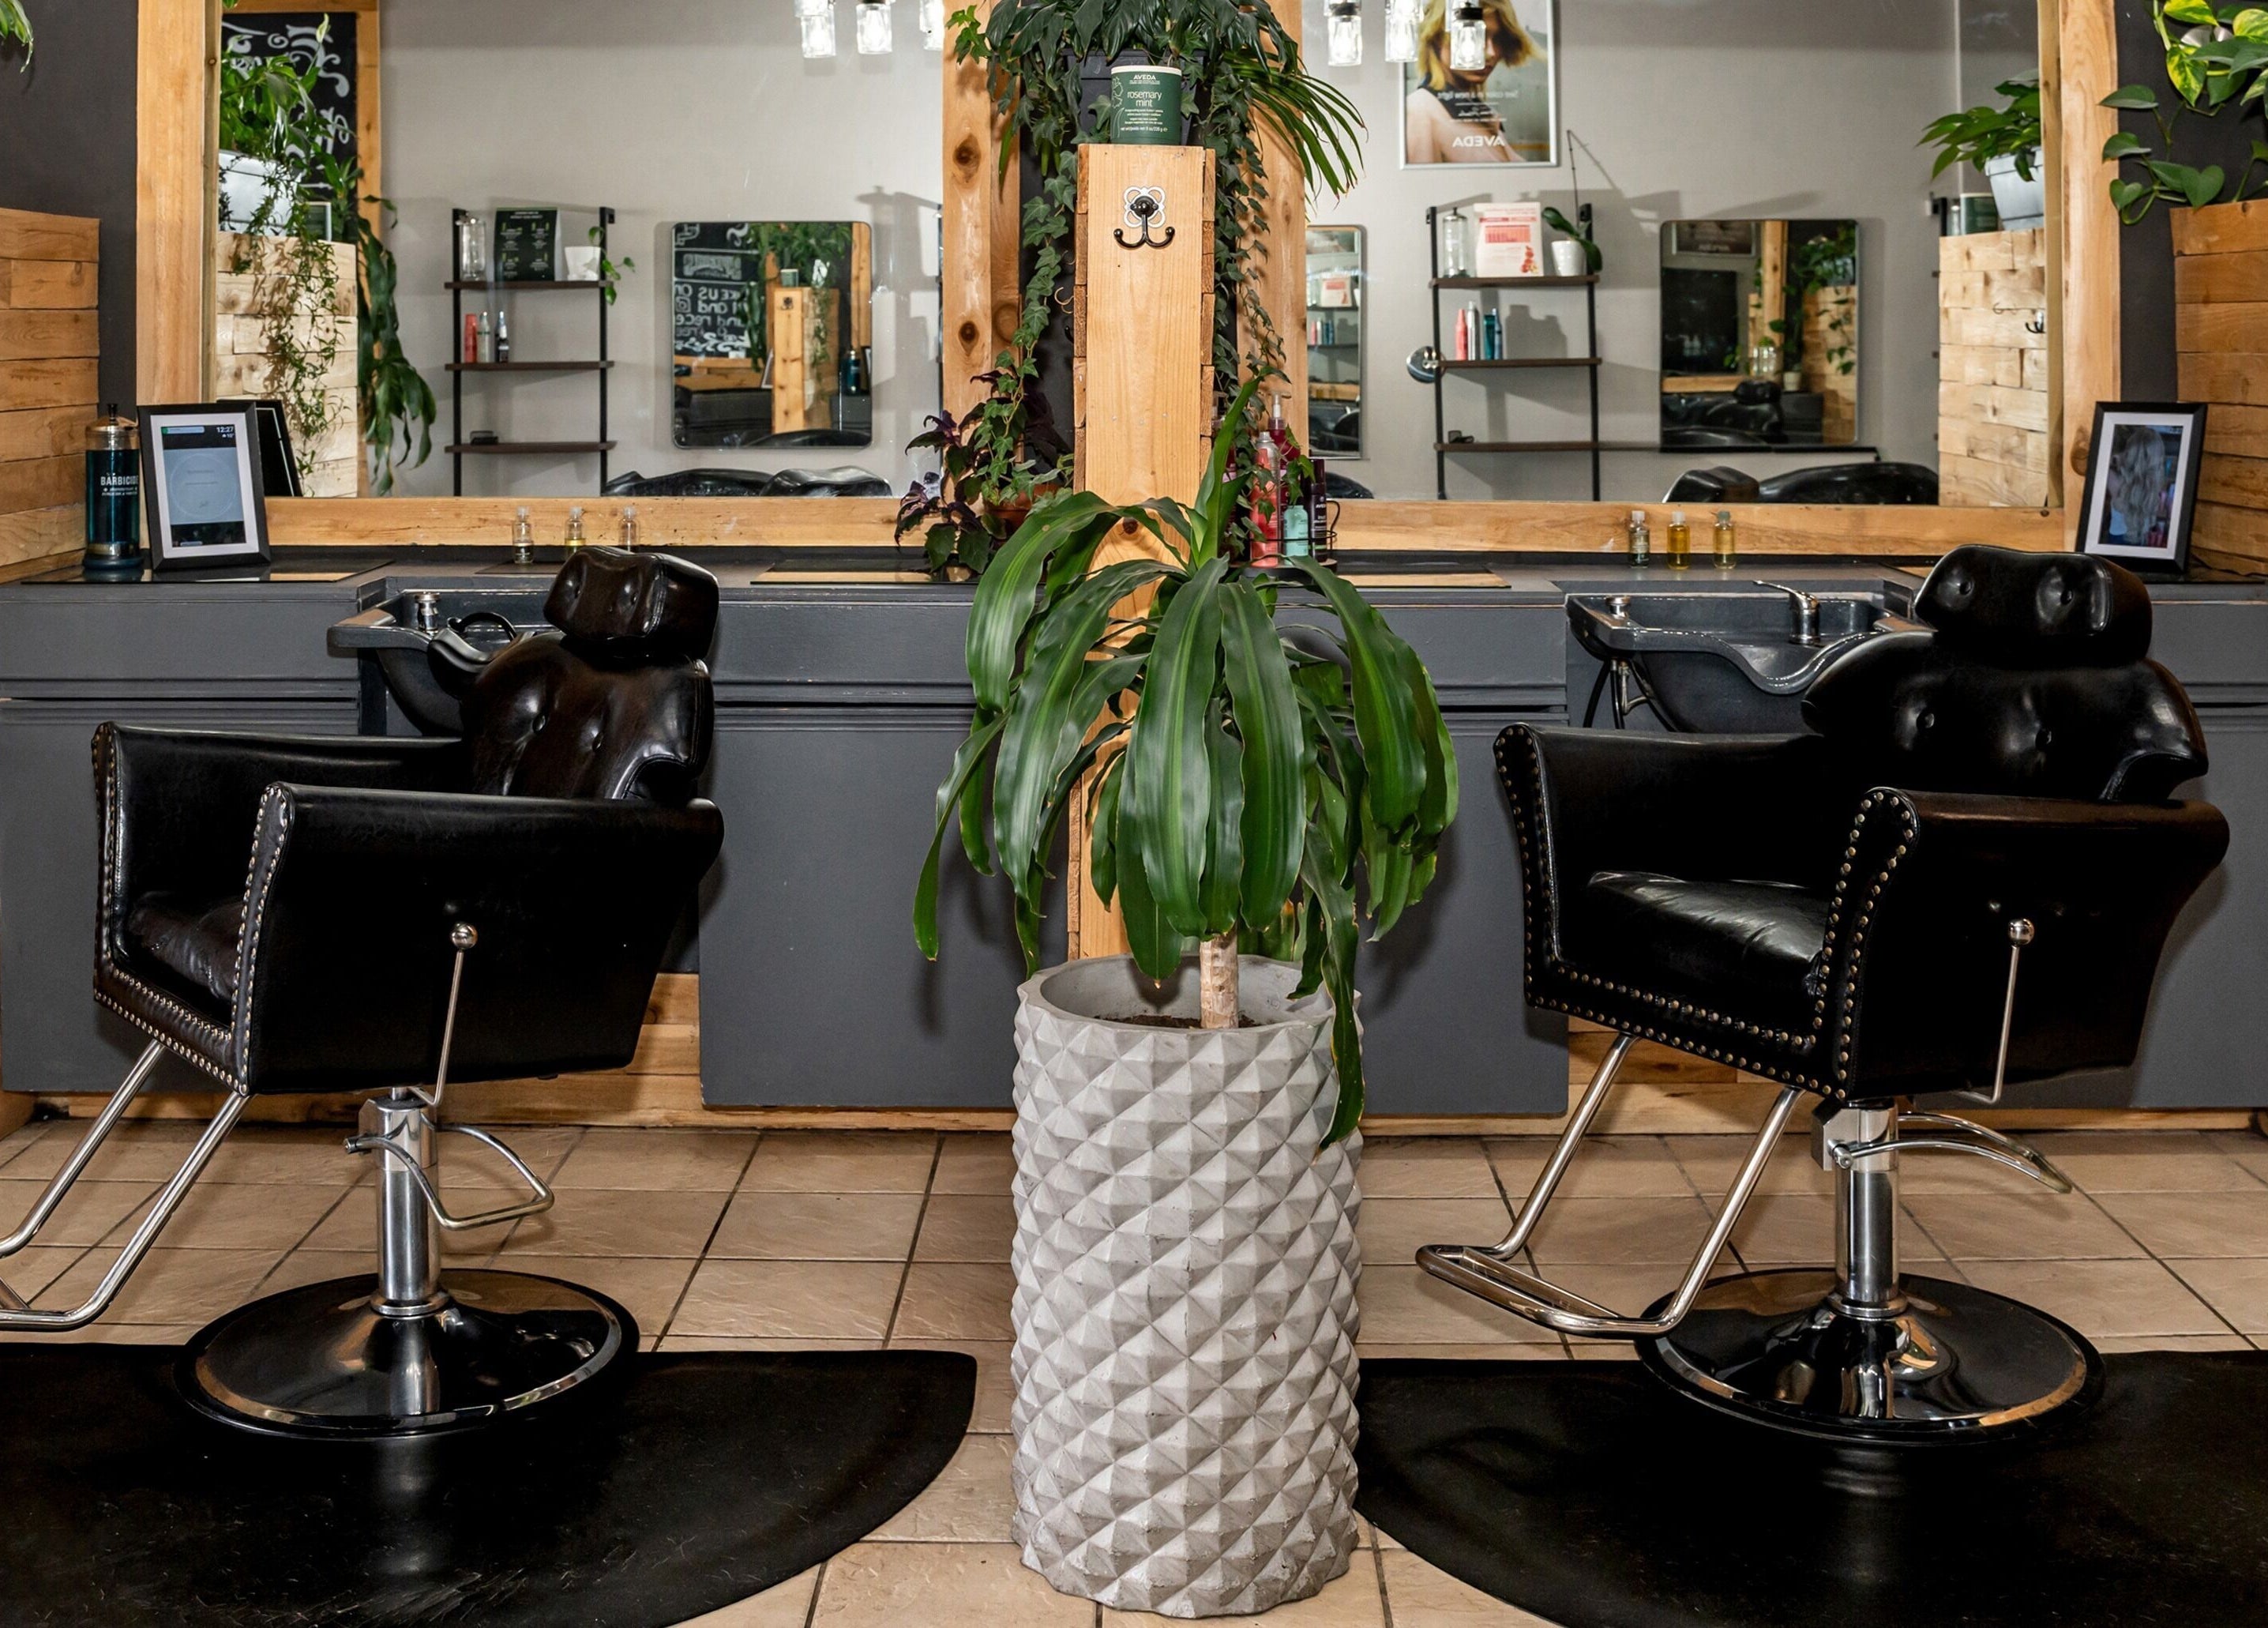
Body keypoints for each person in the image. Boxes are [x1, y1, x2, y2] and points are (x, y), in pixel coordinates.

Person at [1402, 0, 1549, 165]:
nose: (1491, 52)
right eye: (1476, 36)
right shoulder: (1420, 111)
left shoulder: (1482, 116)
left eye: (1499, 39)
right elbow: (1422, 187)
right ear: (1438, 37)